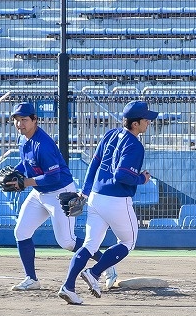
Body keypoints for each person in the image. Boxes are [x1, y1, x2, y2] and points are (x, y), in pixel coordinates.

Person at [6, 102, 116, 292]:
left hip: (60, 193)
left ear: (34, 120)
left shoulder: (44, 145)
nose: (20, 124)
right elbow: (26, 163)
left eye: (24, 119)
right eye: (17, 120)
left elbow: (53, 177)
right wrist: (14, 174)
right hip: (39, 192)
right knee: (21, 232)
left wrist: (25, 182)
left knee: (67, 241)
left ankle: (106, 264)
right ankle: (31, 279)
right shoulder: (23, 139)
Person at [58, 100, 158, 305]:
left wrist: (85, 192)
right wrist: (142, 178)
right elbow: (121, 175)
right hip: (116, 200)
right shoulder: (135, 145)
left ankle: (68, 286)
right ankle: (94, 273)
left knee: (89, 244)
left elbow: (94, 163)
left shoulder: (111, 134)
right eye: (146, 119)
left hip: (96, 196)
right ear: (135, 124)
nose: (149, 122)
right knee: (127, 242)